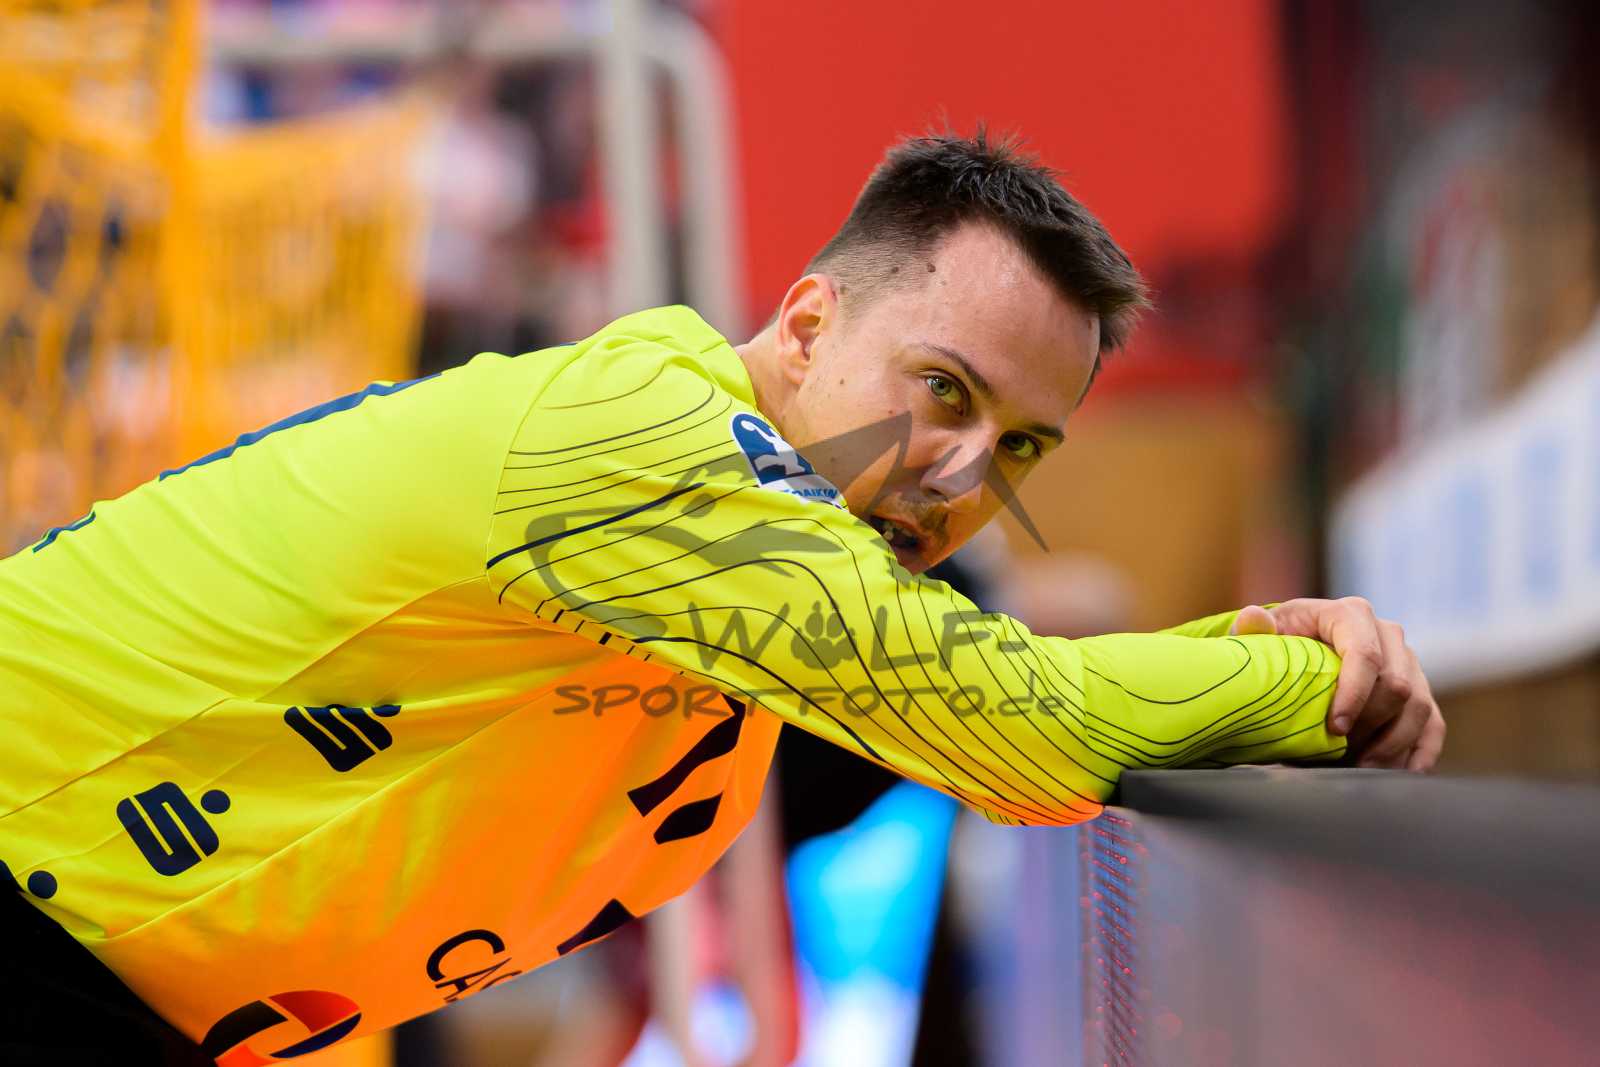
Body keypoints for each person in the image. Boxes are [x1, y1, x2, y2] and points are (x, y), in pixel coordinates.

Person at [0, 131, 1444, 1065]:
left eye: (1020, 447)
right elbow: (1028, 732)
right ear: (808, 324)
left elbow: (995, 689)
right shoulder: (659, 440)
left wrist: (1237, 648)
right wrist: (1313, 680)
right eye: (943, 390)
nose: (961, 472)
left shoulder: (743, 636)